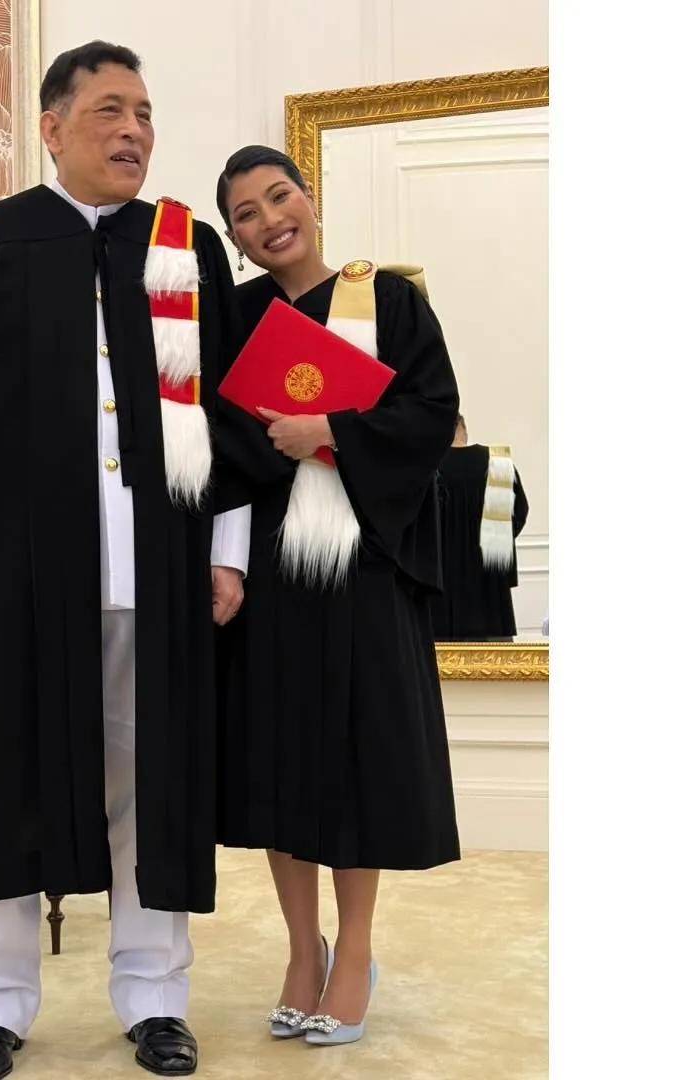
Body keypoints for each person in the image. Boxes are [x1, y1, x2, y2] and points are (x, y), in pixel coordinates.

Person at [0, 41, 250, 1080]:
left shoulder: (185, 248)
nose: (134, 130)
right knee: (10, 782)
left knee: (156, 787)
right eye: (109, 111)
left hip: (163, 566)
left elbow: (221, 410)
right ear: (51, 128)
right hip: (22, 571)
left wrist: (228, 550)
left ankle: (155, 997)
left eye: (145, 112)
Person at [211, 145, 461, 1047]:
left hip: (363, 568)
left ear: (309, 198)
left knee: (356, 761)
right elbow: (215, 439)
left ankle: (353, 954)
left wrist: (331, 430)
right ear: (236, 239)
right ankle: (300, 951)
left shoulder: (386, 300)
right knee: (281, 761)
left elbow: (433, 415)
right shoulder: (236, 320)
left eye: (280, 196)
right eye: (246, 214)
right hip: (275, 569)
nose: (270, 220)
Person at [430, 414, 530, 640]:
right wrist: (494, 540)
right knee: (495, 659)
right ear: (463, 429)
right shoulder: (498, 463)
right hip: (490, 587)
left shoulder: (428, 466)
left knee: (441, 658)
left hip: (441, 587)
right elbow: (519, 514)